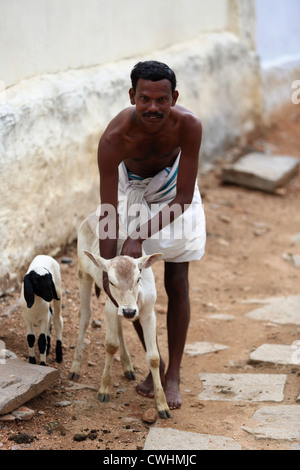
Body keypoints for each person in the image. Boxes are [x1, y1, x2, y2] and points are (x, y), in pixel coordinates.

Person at [97, 60, 206, 409]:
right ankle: (153, 364)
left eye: (162, 99)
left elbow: (184, 198)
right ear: (132, 96)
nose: (153, 108)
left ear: (174, 97)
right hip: (133, 197)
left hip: (175, 199)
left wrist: (139, 236)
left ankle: (172, 373)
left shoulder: (189, 126)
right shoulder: (114, 139)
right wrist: (107, 264)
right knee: (131, 290)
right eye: (145, 99)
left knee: (177, 282)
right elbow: (108, 210)